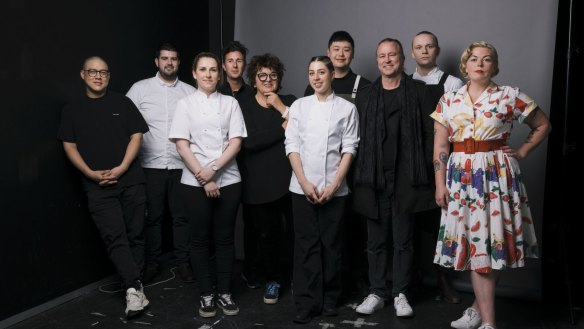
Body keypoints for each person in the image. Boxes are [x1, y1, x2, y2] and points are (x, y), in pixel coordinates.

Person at [432, 41, 551, 329]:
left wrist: (522, 151)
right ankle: (480, 315)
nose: (480, 64)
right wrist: (439, 183)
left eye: (487, 60)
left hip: (497, 175)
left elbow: (543, 124)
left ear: (494, 66)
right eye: (474, 59)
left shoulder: (509, 96)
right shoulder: (449, 100)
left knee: (495, 244)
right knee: (477, 247)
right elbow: (440, 144)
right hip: (461, 179)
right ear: (466, 64)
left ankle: (486, 322)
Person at [57, 56, 149, 318]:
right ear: (83, 75)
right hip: (97, 187)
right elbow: (69, 145)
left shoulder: (123, 102)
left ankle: (137, 284)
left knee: (136, 235)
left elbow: (137, 136)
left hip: (130, 180)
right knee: (115, 237)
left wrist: (121, 168)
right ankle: (133, 288)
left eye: (103, 72)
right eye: (92, 72)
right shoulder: (72, 109)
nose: (98, 76)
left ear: (109, 76)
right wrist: (89, 173)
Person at [352, 38, 437, 318]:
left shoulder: (420, 92)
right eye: (382, 56)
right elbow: (356, 138)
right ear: (377, 61)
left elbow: (429, 135)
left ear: (402, 58)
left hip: (406, 178)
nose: (387, 60)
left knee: (403, 240)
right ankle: (377, 292)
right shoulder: (365, 94)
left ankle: (401, 293)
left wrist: (421, 170)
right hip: (373, 177)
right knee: (375, 241)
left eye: (392, 55)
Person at [169, 52, 247, 318]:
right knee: (200, 240)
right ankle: (206, 294)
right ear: (194, 73)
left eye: (213, 70)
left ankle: (224, 292)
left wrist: (212, 170)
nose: (208, 74)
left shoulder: (230, 104)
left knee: (225, 239)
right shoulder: (185, 104)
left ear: (220, 73)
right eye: (203, 69)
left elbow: (236, 142)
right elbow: (182, 144)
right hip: (193, 181)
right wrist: (204, 177)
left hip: (228, 179)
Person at [285, 56, 359, 324]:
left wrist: (336, 183)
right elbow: (291, 145)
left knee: (332, 246)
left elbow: (350, 147)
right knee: (306, 246)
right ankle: (306, 301)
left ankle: (330, 300)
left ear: (331, 76)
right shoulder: (299, 106)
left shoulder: (346, 108)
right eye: (311, 73)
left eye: (321, 73)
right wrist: (304, 181)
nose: (316, 78)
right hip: (301, 187)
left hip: (334, 189)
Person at [304, 29, 372, 299]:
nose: (341, 54)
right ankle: (325, 283)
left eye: (346, 49)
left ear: (351, 54)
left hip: (354, 167)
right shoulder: (314, 86)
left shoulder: (364, 85)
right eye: (336, 49)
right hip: (323, 171)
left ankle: (357, 283)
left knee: (355, 228)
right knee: (328, 232)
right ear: (329, 53)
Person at [126, 42, 196, 284]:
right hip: (150, 166)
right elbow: (126, 122)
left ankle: (184, 263)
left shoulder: (189, 91)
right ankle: (153, 263)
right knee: (152, 218)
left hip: (181, 166)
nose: (169, 62)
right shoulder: (140, 89)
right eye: (164, 58)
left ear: (179, 62)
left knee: (182, 218)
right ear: (157, 61)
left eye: (173, 59)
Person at [410, 30, 465, 303]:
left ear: (437, 51)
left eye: (429, 46)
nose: (424, 51)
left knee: (440, 225)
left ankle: (443, 281)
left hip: (440, 161)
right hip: (410, 162)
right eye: (419, 47)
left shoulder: (452, 83)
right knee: (411, 224)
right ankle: (412, 282)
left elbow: (458, 125)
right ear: (412, 53)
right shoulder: (405, 82)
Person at [237, 53, 296, 304]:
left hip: (290, 182)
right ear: (254, 79)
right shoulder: (244, 106)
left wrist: (282, 109)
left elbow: (303, 128)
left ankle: (296, 277)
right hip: (257, 184)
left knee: (293, 233)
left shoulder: (291, 102)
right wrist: (282, 128)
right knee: (267, 236)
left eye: (273, 75)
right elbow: (248, 142)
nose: (268, 80)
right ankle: (273, 279)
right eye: (262, 75)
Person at [218, 40, 261, 290]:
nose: (235, 65)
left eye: (239, 60)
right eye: (230, 60)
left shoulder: (252, 92)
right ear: (223, 65)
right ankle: (220, 273)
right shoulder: (215, 91)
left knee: (252, 221)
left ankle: (251, 270)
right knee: (220, 221)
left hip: (249, 164)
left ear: (244, 65)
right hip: (220, 164)